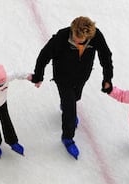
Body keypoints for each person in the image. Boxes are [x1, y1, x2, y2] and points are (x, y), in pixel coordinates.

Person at [30, 16, 114, 159]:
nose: (76, 41)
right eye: (75, 37)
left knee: (76, 98)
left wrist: (107, 78)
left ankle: (66, 106)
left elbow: (105, 56)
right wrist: (38, 76)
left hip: (81, 76)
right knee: (70, 110)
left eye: (80, 40)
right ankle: (68, 138)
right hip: (63, 78)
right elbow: (44, 55)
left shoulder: (96, 37)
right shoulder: (62, 37)